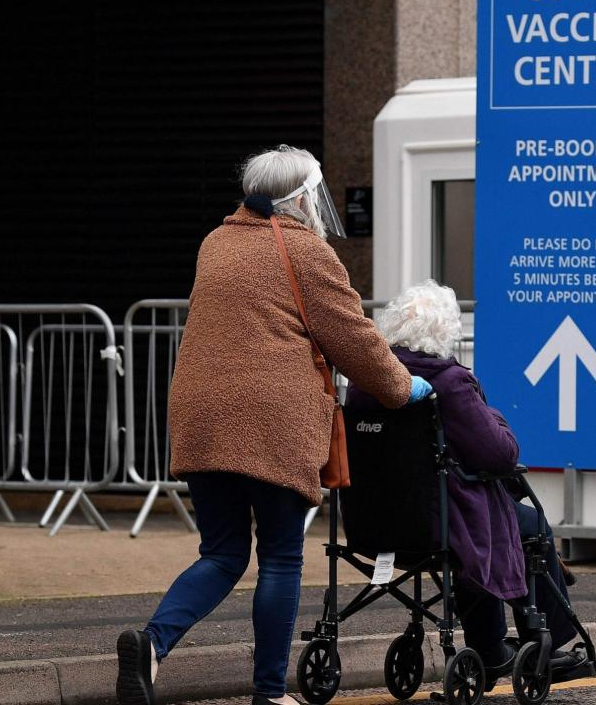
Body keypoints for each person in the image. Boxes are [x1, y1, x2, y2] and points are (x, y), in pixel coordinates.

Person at [116, 145, 433, 705]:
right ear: (303, 198)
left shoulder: (215, 243)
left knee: (221, 552)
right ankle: (269, 693)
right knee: (282, 558)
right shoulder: (307, 251)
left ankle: (152, 644)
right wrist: (403, 386)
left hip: (202, 417)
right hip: (273, 421)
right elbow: (353, 338)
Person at [345, 279, 585, 685]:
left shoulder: (366, 383)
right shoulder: (449, 382)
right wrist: (495, 416)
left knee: (489, 518)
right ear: (446, 332)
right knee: (523, 525)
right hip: (439, 522)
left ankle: (492, 648)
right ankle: (538, 645)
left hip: (373, 520)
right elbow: (499, 454)